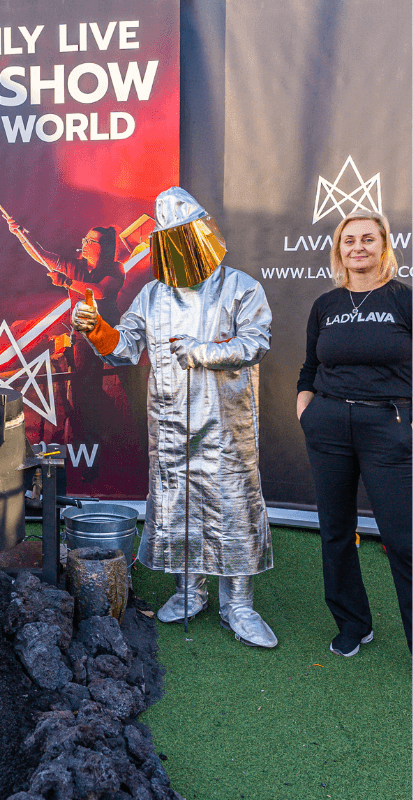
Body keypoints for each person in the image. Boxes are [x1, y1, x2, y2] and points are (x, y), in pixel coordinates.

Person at [71, 186, 277, 648]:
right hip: (169, 423)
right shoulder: (153, 295)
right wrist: (97, 329)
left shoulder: (241, 287)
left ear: (202, 235)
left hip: (225, 423)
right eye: (171, 241)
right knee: (178, 502)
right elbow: (125, 346)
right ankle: (189, 592)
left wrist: (202, 352)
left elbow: (256, 342)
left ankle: (238, 605)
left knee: (232, 505)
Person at [297, 211, 411, 656]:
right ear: (339, 250)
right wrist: (306, 408)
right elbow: (311, 365)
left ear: (384, 246)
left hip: (388, 425)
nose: (358, 247)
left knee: (403, 539)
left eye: (367, 239)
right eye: (349, 240)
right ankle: (352, 624)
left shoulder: (404, 299)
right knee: (336, 530)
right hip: (328, 425)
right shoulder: (326, 304)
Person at [7, 218, 125, 477]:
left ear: (103, 247)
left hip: (105, 336)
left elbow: (100, 292)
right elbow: (43, 256)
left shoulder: (115, 268)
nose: (84, 244)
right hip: (82, 338)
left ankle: (95, 459)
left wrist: (66, 282)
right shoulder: (75, 266)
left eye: (90, 241)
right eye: (85, 240)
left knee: (88, 396)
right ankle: (88, 458)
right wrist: (20, 234)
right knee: (83, 397)